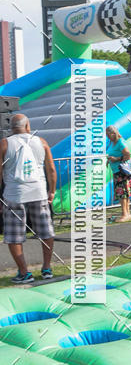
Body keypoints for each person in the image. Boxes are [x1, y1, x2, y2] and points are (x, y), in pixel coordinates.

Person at [0, 114, 56, 284]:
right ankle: (47, 268)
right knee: (45, 231)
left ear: (12, 127)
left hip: (14, 194)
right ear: (27, 126)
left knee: (14, 235)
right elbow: (51, 169)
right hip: (38, 192)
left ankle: (24, 272)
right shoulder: (42, 142)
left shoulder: (4, 143)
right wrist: (51, 191)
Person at [106, 125, 131, 222]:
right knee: (124, 193)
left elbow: (127, 155)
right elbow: (115, 154)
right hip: (117, 171)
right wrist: (110, 159)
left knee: (123, 193)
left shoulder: (120, 142)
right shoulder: (112, 143)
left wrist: (116, 159)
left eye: (108, 134)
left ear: (113, 133)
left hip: (122, 171)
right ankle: (127, 213)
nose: (107, 136)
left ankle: (125, 214)